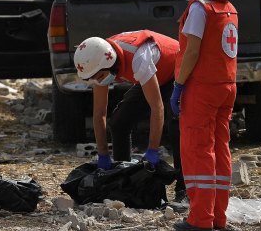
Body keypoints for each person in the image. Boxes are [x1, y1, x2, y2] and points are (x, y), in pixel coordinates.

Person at [166, 0, 238, 231]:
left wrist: (178, 85)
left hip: (202, 89)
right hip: (226, 86)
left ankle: (200, 219)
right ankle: (218, 216)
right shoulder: (228, 7)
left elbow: (192, 51)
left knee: (198, 151)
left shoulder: (199, 8)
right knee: (221, 149)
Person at [73, 30, 186, 200]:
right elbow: (99, 113)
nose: (99, 81)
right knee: (119, 122)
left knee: (176, 125)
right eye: (94, 78)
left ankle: (184, 188)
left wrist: (153, 150)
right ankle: (123, 179)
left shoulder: (138, 58)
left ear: (110, 62)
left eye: (101, 77)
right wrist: (103, 155)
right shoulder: (100, 64)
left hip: (177, 73)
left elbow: (157, 108)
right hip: (153, 76)